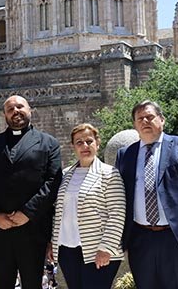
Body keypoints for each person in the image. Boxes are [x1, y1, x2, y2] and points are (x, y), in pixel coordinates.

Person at [115, 100, 178, 289]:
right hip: (139, 238)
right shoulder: (125, 154)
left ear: (162, 119)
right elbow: (119, 197)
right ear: (135, 125)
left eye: (150, 117)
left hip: (174, 237)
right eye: (140, 118)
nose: (145, 121)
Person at [0, 95, 62, 289]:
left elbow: (53, 181)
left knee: (32, 284)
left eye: (20, 107)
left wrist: (27, 213)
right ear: (4, 115)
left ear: (30, 110)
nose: (15, 112)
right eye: (10, 109)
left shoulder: (49, 143)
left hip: (33, 229)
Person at [48, 123, 126, 289]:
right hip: (67, 249)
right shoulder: (65, 174)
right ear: (73, 147)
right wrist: (52, 243)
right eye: (79, 142)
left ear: (97, 143)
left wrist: (106, 248)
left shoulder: (109, 173)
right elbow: (59, 212)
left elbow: (117, 213)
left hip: (98, 250)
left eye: (89, 141)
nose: (85, 146)